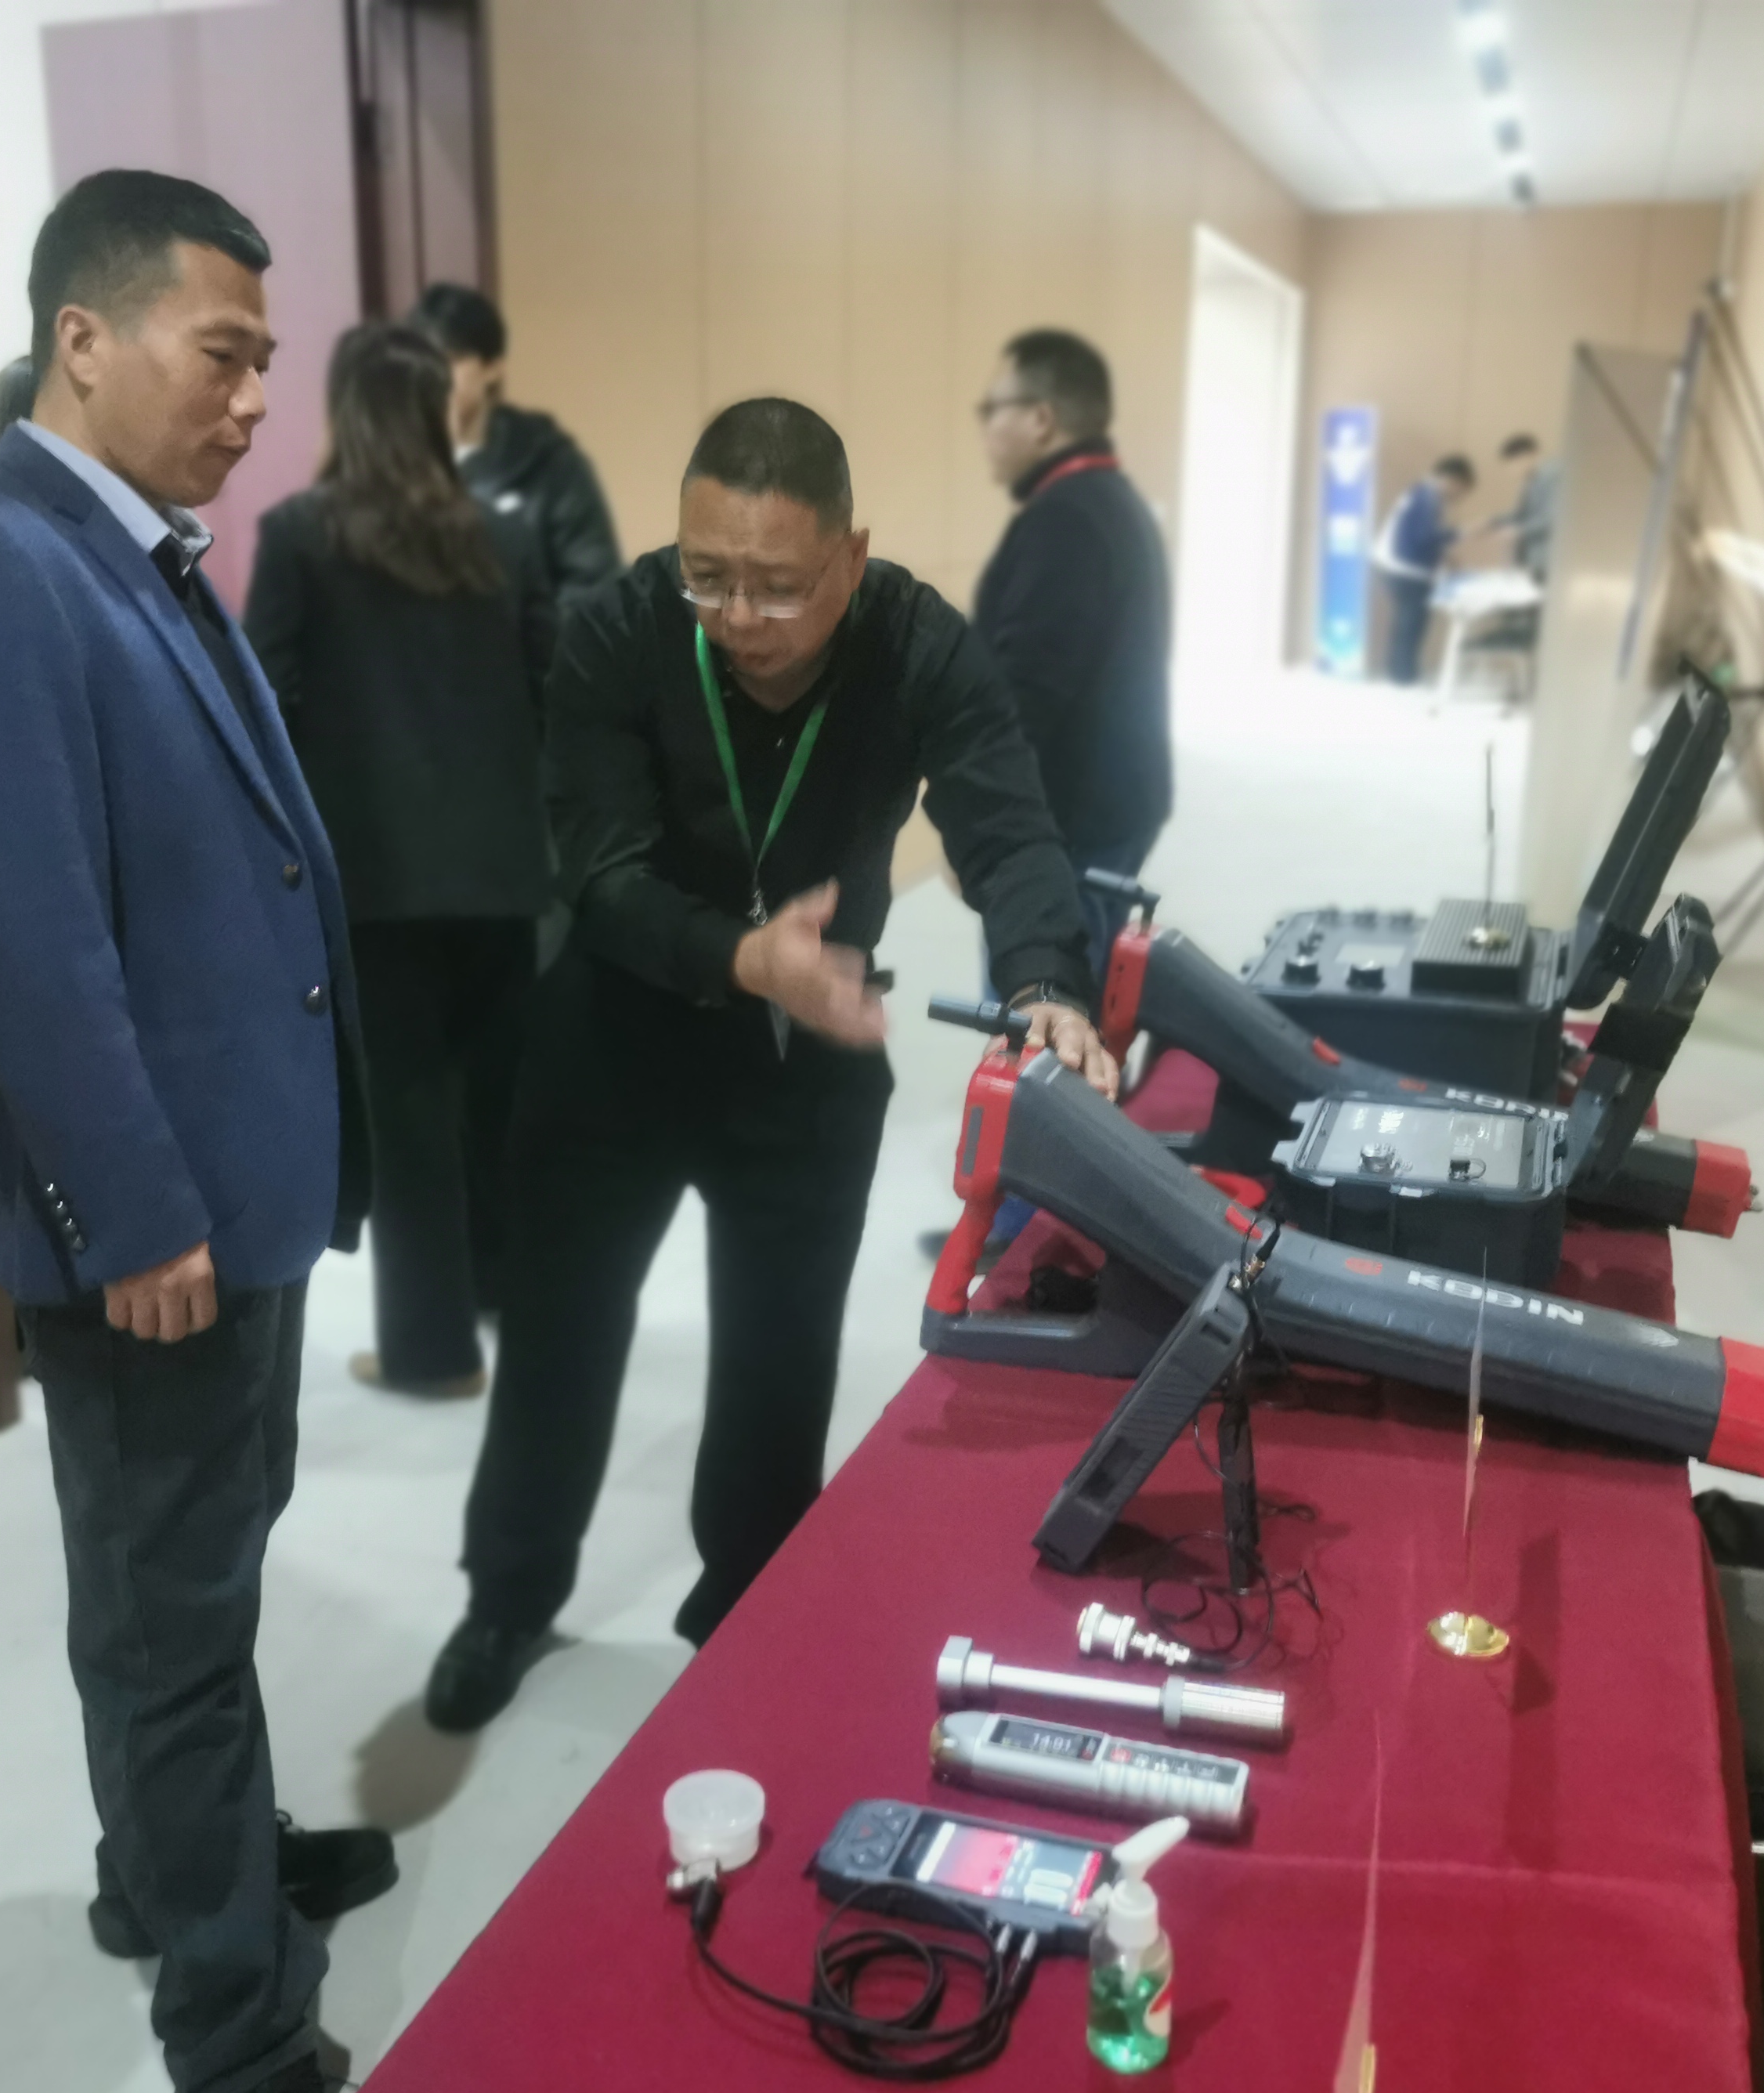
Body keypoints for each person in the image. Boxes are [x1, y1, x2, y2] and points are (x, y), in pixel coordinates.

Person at [0, 170, 390, 2093]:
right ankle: (233, 2037)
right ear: (82, 339)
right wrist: (138, 1207)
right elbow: (30, 939)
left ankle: (181, 1867)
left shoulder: (137, 552)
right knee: (172, 1621)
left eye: (267, 359)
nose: (255, 400)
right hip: (161, 1220)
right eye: (223, 354)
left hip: (239, 1188)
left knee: (192, 1580)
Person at [423, 398, 1118, 1730]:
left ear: (851, 557)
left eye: (779, 586)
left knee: (779, 1363)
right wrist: (746, 957)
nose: (739, 616)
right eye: (710, 576)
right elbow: (598, 871)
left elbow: (1010, 827)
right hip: (612, 1038)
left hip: (811, 1053)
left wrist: (1043, 983)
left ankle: (743, 1617)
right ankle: (507, 1594)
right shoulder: (621, 630)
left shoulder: (917, 644)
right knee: (561, 1336)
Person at [246, 324, 555, 1401]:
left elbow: (264, 702)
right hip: (502, 872)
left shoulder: (301, 535)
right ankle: (505, 1291)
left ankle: (431, 1352)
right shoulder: (504, 536)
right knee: (495, 1096)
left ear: (346, 410)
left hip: (374, 880)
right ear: (437, 412)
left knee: (412, 1115)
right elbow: (549, 687)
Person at [971, 328, 1171, 986]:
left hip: (1068, 825)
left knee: (1040, 1019)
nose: (985, 428)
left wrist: (983, 822)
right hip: (1109, 806)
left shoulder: (1065, 522)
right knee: (1080, 999)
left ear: (1040, 419)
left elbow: (1027, 695)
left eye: (991, 408)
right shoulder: (1109, 502)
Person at [405, 281, 621, 616]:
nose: (435, 378)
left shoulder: (549, 463)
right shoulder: (394, 462)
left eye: (451, 361)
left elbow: (594, 590)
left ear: (493, 368)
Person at [1373, 452, 1476, 686]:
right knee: (1411, 624)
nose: (1458, 497)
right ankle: (1403, 677)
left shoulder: (1422, 493)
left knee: (1406, 623)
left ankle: (1400, 673)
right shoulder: (1427, 496)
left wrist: (1445, 556)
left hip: (1397, 567)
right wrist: (1461, 533)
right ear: (1452, 479)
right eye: (1461, 490)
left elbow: (1423, 537)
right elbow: (1426, 537)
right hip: (1405, 571)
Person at [1484, 431, 1560, 583]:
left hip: (1547, 557)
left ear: (1527, 456)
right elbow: (1522, 514)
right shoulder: (1531, 479)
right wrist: (1493, 521)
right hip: (1532, 558)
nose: (1512, 470)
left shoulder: (1554, 475)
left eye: (1512, 464)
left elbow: (1554, 518)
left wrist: (1518, 531)